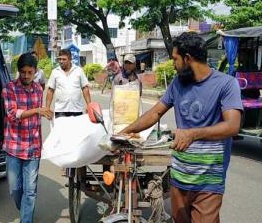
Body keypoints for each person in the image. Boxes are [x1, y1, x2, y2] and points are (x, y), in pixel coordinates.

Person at [119, 32, 243, 223]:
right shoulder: (178, 83)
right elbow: (155, 113)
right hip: (180, 176)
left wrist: (193, 134)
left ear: (188, 59)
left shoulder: (226, 84)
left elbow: (233, 126)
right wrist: (124, 132)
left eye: (175, 59)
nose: (173, 64)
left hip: (209, 179)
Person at [2, 53, 53, 223]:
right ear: (19, 71)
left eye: (29, 72)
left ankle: (26, 219)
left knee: (30, 191)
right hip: (14, 147)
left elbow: (38, 119)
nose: (26, 76)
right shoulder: (9, 88)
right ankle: (25, 209)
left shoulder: (39, 89)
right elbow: (12, 114)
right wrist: (38, 110)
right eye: (23, 72)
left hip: (33, 148)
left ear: (35, 72)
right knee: (15, 189)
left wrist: (45, 115)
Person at [46, 49, 91, 119]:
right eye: (59, 59)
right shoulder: (55, 72)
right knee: (62, 130)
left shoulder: (78, 70)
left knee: (76, 130)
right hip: (60, 111)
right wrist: (47, 108)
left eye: (64, 59)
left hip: (77, 110)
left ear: (70, 59)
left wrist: (89, 105)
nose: (61, 61)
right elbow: (50, 91)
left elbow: (85, 88)